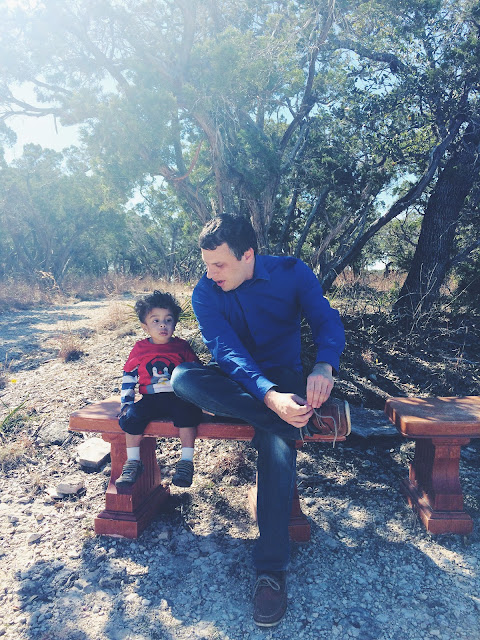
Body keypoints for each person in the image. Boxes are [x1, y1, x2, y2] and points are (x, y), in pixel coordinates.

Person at [171, 214, 346, 627]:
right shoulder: (206, 292)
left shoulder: (292, 272)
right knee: (183, 378)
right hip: (237, 384)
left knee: (276, 448)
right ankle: (298, 421)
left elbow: (325, 319)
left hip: (286, 378)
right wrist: (271, 400)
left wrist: (324, 365)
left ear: (247, 255)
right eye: (206, 264)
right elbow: (226, 352)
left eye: (219, 264)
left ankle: (271, 570)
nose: (210, 273)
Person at [116, 290, 203, 489]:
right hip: (150, 399)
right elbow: (129, 375)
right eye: (155, 320)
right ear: (145, 327)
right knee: (132, 418)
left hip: (179, 397)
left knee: (188, 415)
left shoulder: (182, 346)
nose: (163, 325)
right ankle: (133, 462)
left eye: (168, 320)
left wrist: (200, 400)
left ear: (175, 323)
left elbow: (196, 372)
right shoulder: (140, 348)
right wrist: (126, 403)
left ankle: (186, 462)